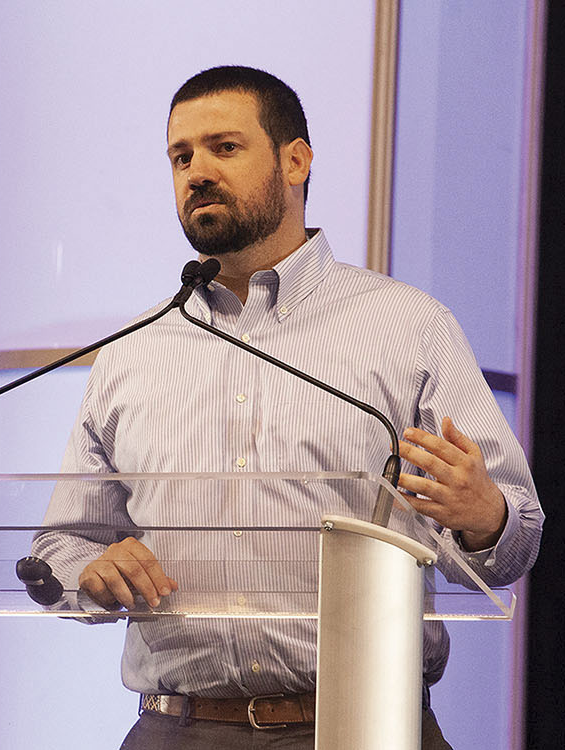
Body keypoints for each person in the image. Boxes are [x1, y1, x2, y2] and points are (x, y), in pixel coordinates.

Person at [31, 66, 542, 749]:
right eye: (181, 157)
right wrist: (88, 574)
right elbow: (61, 546)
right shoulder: (133, 352)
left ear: (295, 159)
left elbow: (517, 536)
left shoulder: (409, 327)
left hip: (366, 724)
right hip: (179, 728)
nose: (197, 172)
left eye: (224, 147)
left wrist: (485, 518)